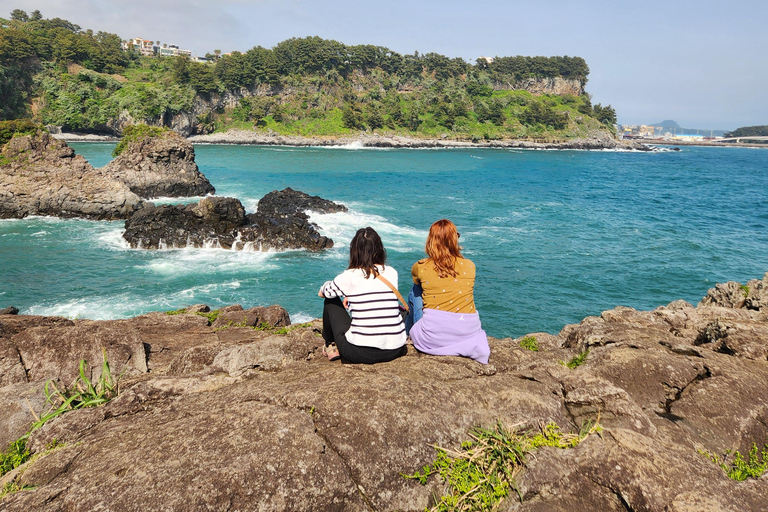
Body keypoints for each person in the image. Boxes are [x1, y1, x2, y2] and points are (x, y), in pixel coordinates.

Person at [318, 227, 408, 364]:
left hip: (360, 352)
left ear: (354, 251)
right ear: (379, 250)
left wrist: (346, 291)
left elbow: (322, 293)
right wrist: (351, 294)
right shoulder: (391, 272)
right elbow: (374, 289)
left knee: (331, 300)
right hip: (395, 349)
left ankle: (330, 345)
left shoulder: (349, 276)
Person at [405, 219, 490, 364]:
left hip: (433, 337)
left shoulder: (421, 266)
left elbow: (416, 282)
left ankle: (406, 336)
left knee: (415, 290)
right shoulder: (470, 265)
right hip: (467, 332)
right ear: (454, 240)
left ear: (431, 241)